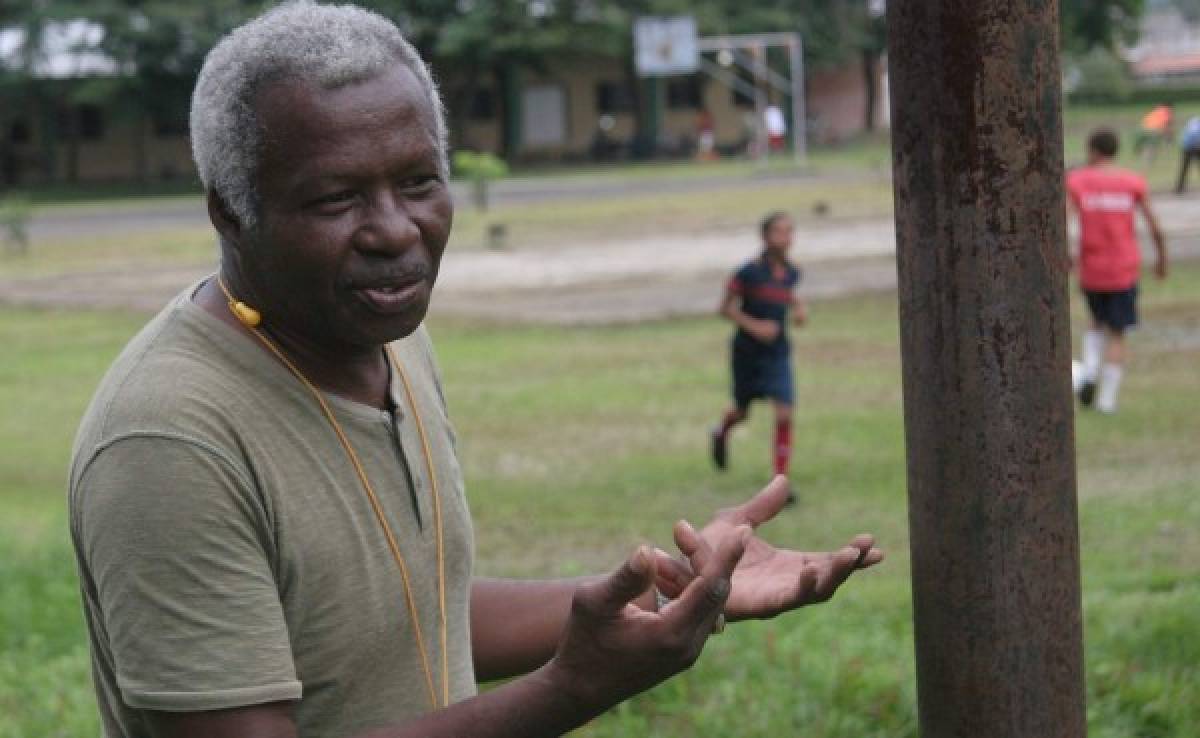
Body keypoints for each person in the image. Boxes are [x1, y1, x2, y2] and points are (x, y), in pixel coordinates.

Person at [67, 4, 883, 738]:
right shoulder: (168, 442)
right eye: (335, 198)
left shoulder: (381, 335)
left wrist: (662, 594)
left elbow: (409, 614)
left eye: (419, 182)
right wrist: (572, 688)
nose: (395, 230)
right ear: (229, 209)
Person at [1066, 128, 1168, 414]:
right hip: (1123, 268)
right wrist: (1161, 259)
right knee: (1118, 332)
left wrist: (1068, 256)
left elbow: (1064, 223)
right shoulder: (1131, 182)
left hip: (1092, 267)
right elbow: (1154, 226)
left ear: (1092, 150)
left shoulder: (1078, 181)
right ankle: (1107, 401)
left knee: (1096, 322)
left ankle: (1088, 375)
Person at [710, 212, 806, 495]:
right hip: (747, 353)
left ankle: (779, 484)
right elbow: (725, 308)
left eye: (789, 231)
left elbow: (787, 294)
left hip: (777, 352)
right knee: (741, 411)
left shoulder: (792, 272)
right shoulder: (747, 272)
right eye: (779, 231)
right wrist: (756, 326)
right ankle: (721, 431)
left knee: (785, 413)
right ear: (765, 237)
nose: (785, 237)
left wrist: (799, 308)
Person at [1175, 115, 1200, 194]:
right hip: (1193, 145)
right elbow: (1195, 136)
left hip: (1186, 146)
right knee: (1185, 168)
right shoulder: (1196, 123)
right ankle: (1179, 188)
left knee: (1184, 168)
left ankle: (1179, 188)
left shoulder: (1193, 120)